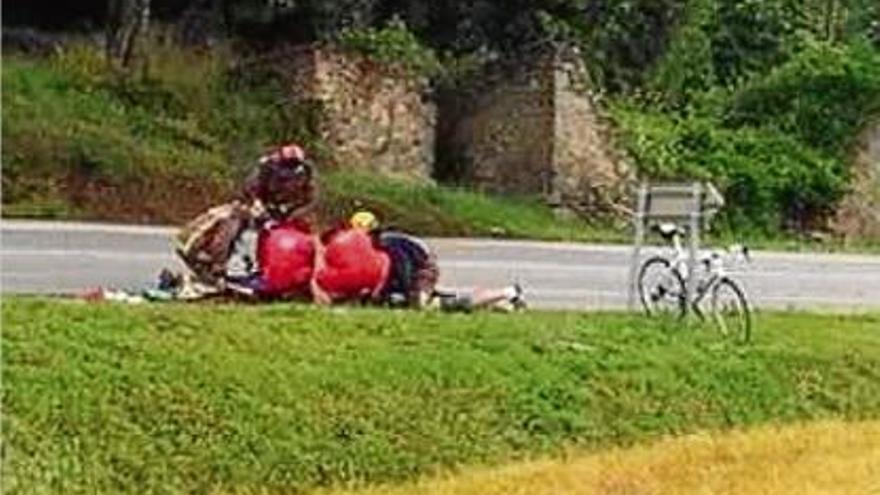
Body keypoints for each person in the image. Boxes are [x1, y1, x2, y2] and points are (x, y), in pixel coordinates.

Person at [165, 143, 318, 298]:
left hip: (287, 211)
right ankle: (214, 265)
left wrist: (291, 212)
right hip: (257, 204)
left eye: (294, 166)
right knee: (232, 221)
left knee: (290, 235)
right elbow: (250, 189)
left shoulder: (305, 171)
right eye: (286, 166)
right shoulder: (267, 166)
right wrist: (257, 205)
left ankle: (285, 273)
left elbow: (309, 198)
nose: (289, 173)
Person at [346, 210, 527, 312]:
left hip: (423, 267)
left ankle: (507, 292)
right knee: (421, 301)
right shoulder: (374, 247)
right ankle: (499, 302)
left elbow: (405, 270)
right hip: (417, 264)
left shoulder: (389, 246)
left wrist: (409, 294)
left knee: (424, 306)